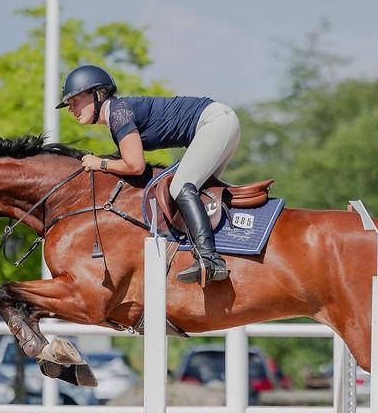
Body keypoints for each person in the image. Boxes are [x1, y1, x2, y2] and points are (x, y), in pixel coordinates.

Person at [56, 64, 240, 286]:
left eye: (74, 100)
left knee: (180, 187)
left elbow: (135, 167)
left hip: (214, 122)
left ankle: (210, 259)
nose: (71, 108)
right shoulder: (119, 113)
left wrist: (100, 163)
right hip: (219, 121)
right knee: (202, 193)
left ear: (97, 94)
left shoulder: (118, 113)